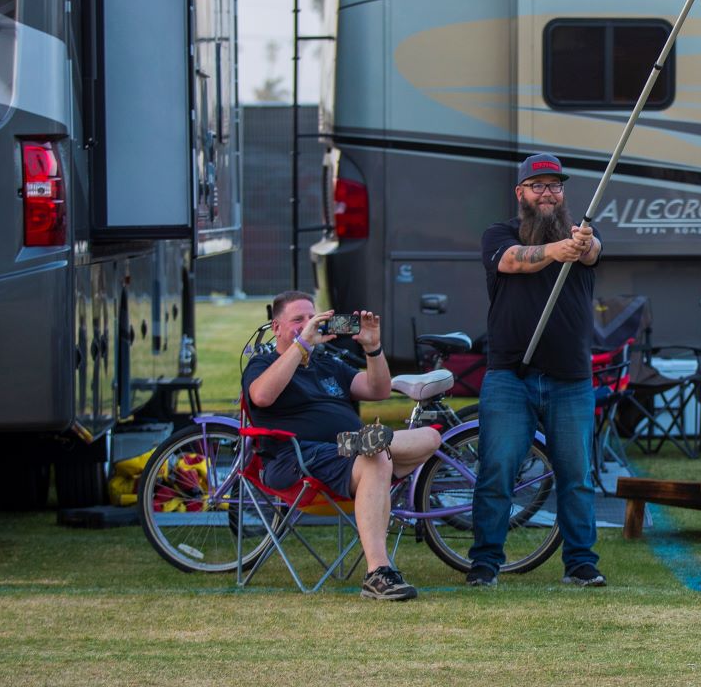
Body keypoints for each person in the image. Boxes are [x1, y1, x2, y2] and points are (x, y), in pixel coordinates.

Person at [243, 291, 442, 600]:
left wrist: (373, 348)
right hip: (299, 458)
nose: (307, 325)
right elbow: (262, 396)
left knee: (431, 437)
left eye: (312, 318)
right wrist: (301, 346)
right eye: (298, 320)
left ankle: (367, 445)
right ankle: (378, 572)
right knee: (375, 458)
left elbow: (378, 390)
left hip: (345, 456)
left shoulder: (327, 364)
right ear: (276, 327)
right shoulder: (263, 364)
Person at [467, 151, 605, 588]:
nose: (548, 193)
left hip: (570, 378)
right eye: (539, 185)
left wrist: (580, 245)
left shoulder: (582, 235)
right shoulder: (498, 234)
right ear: (521, 192)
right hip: (511, 376)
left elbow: (592, 252)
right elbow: (510, 260)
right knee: (497, 471)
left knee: (577, 475)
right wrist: (552, 250)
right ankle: (485, 564)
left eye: (555, 186)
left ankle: (581, 563)